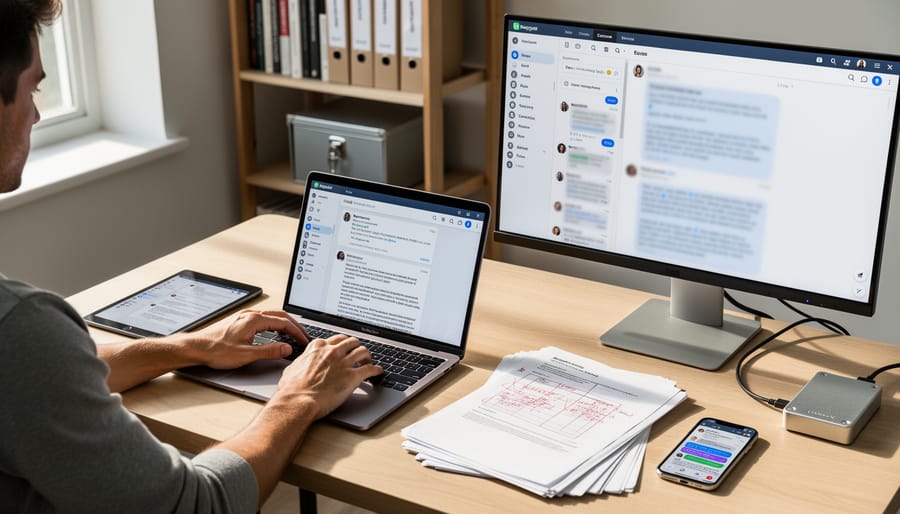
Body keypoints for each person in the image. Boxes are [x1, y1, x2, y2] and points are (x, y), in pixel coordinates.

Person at [0, 1, 382, 512]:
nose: (37, 113)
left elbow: (43, 382)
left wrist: (189, 347)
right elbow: (199, 505)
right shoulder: (21, 328)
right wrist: (297, 398)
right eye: (33, 88)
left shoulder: (22, 344)